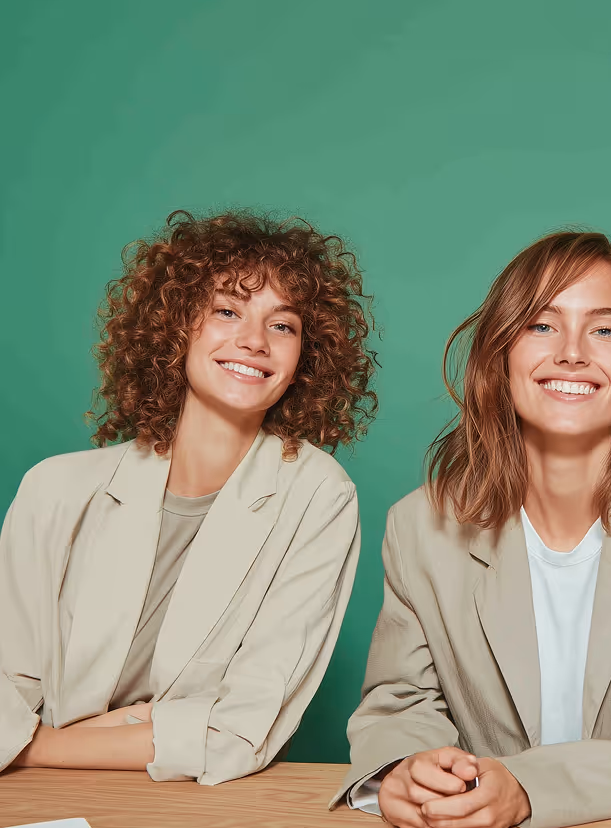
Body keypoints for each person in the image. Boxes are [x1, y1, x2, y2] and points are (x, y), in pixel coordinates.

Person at [332, 231, 611, 828]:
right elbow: (400, 703)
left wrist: (527, 788)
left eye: (604, 330)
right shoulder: (419, 526)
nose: (573, 353)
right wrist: (405, 772)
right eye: (541, 326)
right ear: (501, 354)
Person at [0, 210, 375, 784]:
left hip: (192, 813)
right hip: (40, 804)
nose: (253, 341)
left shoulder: (319, 496)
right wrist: (131, 735)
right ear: (175, 328)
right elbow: (6, 688)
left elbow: (238, 734)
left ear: (307, 356)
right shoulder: (55, 488)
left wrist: (39, 745)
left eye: (283, 325)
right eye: (227, 311)